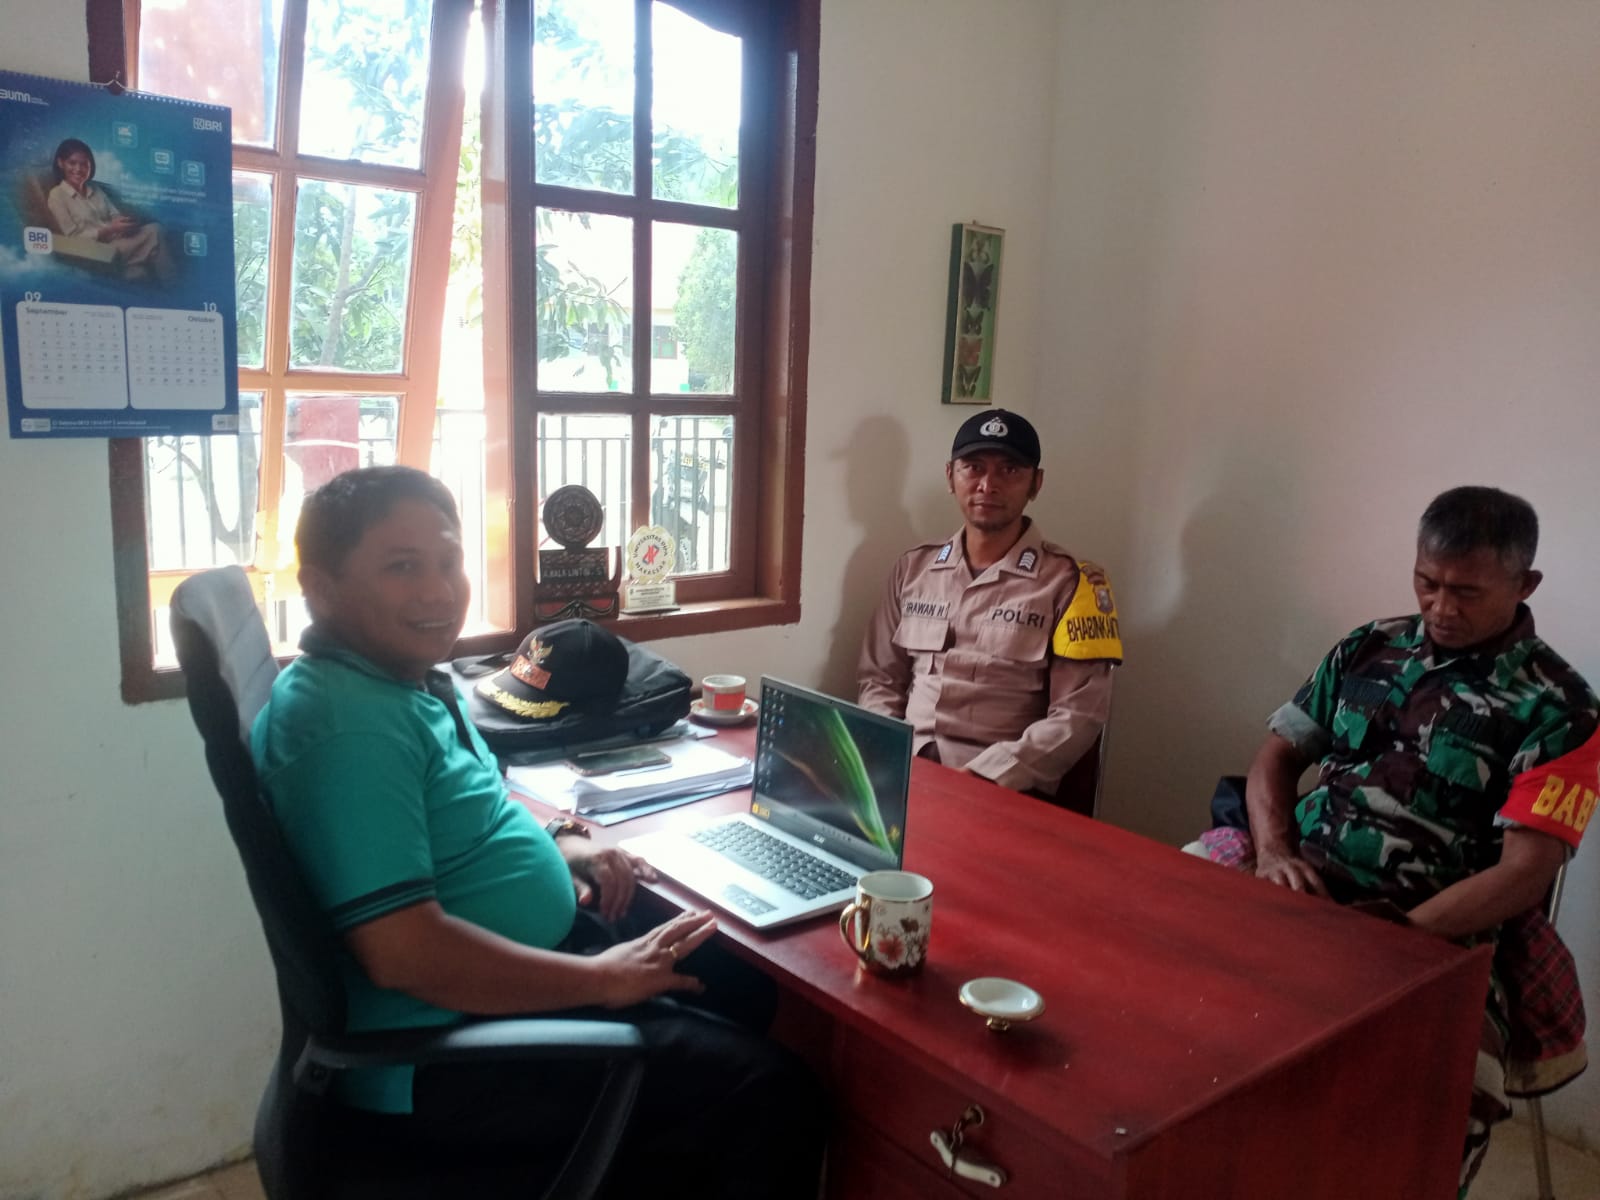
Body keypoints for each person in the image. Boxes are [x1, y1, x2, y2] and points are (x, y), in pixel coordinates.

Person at [250, 465, 824, 1198]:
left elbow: (478, 805)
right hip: (444, 1054)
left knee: (741, 986)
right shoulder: (348, 726)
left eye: (449, 561)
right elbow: (403, 953)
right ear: (321, 588)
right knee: (769, 1091)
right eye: (402, 567)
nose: (439, 591)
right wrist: (602, 981)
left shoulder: (397, 682)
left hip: (497, 987)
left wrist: (561, 839)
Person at [1201, 485, 1598, 1196]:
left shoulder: (1560, 706)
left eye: (1466, 592)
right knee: (1156, 972)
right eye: (1427, 582)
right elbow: (1276, 759)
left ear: (1525, 584)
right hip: (1301, 881)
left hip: (1436, 928)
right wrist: (1275, 852)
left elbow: (1526, 872)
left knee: (1430, 1099)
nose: (1440, 607)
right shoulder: (1370, 646)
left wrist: (1400, 941)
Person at [858, 408, 1122, 798]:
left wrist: (988, 775)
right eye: (974, 467)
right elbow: (880, 679)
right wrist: (887, 752)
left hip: (1003, 787)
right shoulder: (913, 569)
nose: (988, 485)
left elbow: (1078, 715)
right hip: (906, 773)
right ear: (950, 476)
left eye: (1009, 470)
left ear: (1036, 484)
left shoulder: (1070, 584)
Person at [46, 137, 172, 281]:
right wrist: (109, 230)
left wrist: (124, 223)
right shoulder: (57, 196)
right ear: (60, 163)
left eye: (84, 164)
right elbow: (73, 240)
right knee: (156, 231)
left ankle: (137, 271)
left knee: (139, 271)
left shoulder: (95, 189)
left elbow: (114, 215)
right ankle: (173, 286)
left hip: (117, 241)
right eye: (72, 163)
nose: (79, 169)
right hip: (98, 251)